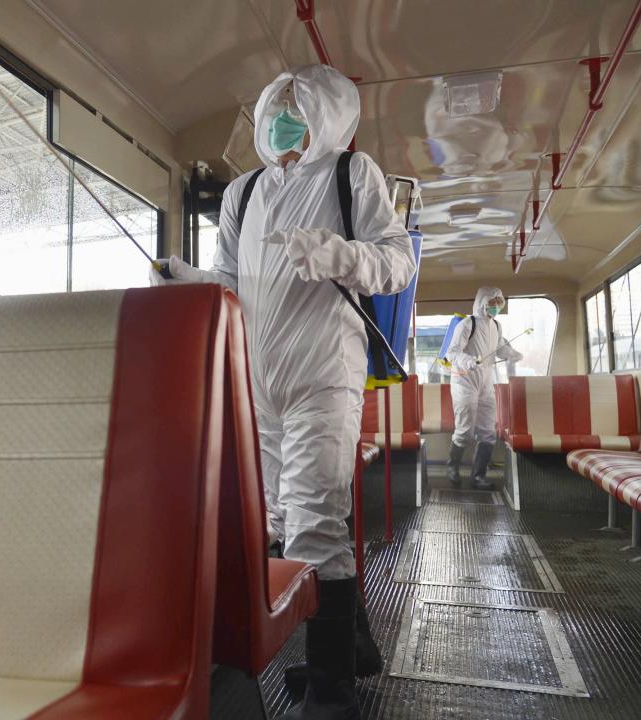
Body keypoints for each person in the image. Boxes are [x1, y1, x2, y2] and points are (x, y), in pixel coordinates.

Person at [152, 64, 415, 719]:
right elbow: (231, 283)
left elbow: (397, 262)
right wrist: (188, 281)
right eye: (275, 113)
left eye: (298, 113)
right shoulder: (242, 193)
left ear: (329, 118)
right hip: (257, 382)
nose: (282, 126)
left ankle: (331, 689)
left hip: (325, 374)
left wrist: (339, 256)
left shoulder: (353, 176)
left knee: (314, 521)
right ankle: (348, 649)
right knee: (276, 517)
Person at [444, 287, 523, 490]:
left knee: (488, 430)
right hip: (464, 381)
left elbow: (500, 348)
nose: (495, 307)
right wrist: (468, 360)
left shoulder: (496, 325)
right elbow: (451, 353)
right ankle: (452, 466)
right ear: (482, 302)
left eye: (498, 303)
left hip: (486, 381)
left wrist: (511, 354)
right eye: (492, 302)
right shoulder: (466, 324)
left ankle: (478, 476)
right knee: (465, 429)